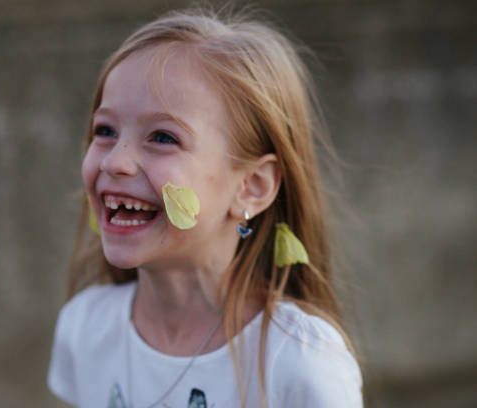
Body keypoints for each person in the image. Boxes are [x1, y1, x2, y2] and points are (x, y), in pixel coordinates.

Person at [48, 7, 363, 408]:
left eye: (162, 137)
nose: (113, 161)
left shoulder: (300, 363)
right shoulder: (84, 329)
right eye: (105, 131)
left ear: (252, 187)